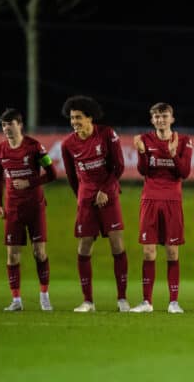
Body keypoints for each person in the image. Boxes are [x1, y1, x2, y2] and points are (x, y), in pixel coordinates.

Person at [60, 95, 130, 312]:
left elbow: (118, 167)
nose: (75, 122)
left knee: (117, 245)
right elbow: (72, 177)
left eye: (79, 117)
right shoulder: (67, 144)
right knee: (84, 247)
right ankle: (88, 301)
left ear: (90, 117)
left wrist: (104, 190)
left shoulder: (107, 134)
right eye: (72, 118)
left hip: (108, 195)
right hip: (86, 199)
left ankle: (122, 299)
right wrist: (81, 197)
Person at [129, 102, 192, 314]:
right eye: (156, 116)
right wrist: (142, 153)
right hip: (150, 199)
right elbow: (143, 171)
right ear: (152, 119)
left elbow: (184, 173)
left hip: (172, 199)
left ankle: (173, 302)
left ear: (172, 118)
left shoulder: (183, 141)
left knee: (172, 252)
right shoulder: (145, 140)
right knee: (148, 252)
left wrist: (174, 154)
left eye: (164, 116)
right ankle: (147, 302)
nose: (160, 120)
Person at [0, 108, 57, 311]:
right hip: (13, 210)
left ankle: (44, 296)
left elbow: (52, 174)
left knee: (39, 253)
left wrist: (29, 182)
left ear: (19, 125)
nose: (6, 129)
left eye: (10, 124)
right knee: (12, 255)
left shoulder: (35, 147)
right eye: (3, 125)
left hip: (35, 208)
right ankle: (16, 301)